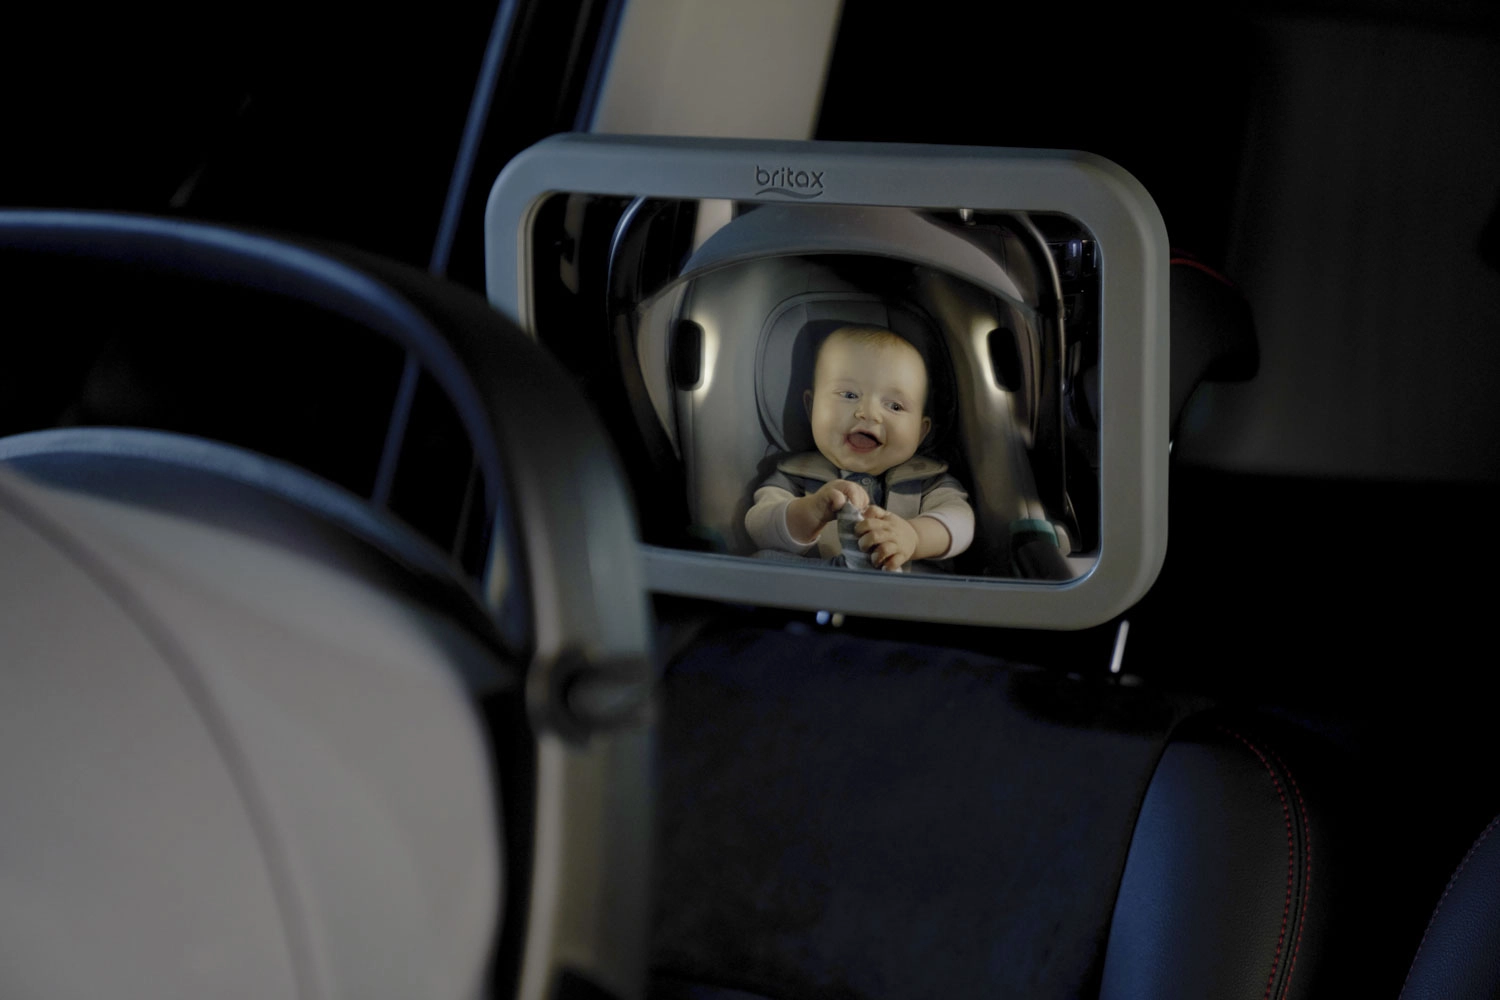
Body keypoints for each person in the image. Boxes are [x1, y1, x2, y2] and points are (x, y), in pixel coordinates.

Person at [745, 324, 973, 571]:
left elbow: (961, 521)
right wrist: (811, 511)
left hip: (904, 589)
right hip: (821, 586)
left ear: (920, 432)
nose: (868, 413)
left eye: (895, 406)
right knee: (761, 562)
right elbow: (759, 527)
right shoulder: (796, 475)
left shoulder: (929, 481)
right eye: (849, 395)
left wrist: (915, 536)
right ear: (812, 408)